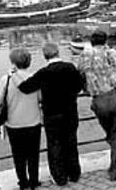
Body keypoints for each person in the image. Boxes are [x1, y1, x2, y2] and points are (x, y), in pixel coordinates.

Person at [14, 43, 83, 186]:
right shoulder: (70, 67)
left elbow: (25, 88)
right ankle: (74, 173)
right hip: (70, 112)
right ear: (58, 53)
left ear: (45, 56)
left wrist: (13, 74)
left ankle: (59, 177)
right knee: (71, 142)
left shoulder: (43, 73)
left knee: (55, 145)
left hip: (52, 114)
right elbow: (79, 86)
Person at [77, 30, 116, 181]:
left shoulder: (85, 55)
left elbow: (79, 73)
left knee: (112, 135)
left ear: (92, 41)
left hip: (99, 99)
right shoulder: (113, 53)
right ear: (105, 41)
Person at [0, 48, 41, 190]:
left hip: (13, 123)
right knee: (33, 154)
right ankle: (34, 181)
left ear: (13, 62)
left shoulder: (6, 79)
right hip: (33, 121)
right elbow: (40, 98)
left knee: (18, 155)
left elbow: (0, 99)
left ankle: (23, 182)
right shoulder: (34, 78)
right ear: (29, 62)